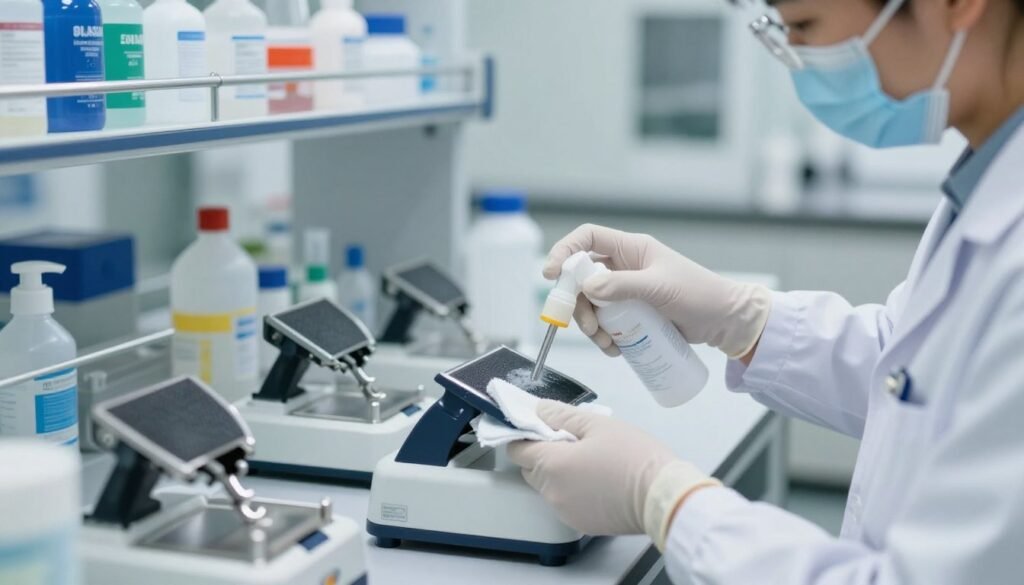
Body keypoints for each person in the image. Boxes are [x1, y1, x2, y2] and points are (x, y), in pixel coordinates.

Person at [505, 0, 1024, 582]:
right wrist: (742, 319)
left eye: (804, 25)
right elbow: (914, 369)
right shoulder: (989, 177)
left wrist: (664, 500)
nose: (797, 59)